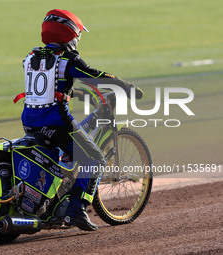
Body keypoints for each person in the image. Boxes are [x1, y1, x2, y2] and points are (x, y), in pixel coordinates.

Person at [16, 9, 143, 231]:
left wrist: (77, 94)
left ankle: (55, 201)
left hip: (29, 120)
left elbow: (49, 88)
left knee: (65, 155)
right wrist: (124, 85)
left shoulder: (31, 57)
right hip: (56, 121)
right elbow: (94, 76)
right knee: (95, 159)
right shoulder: (67, 59)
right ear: (71, 33)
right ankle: (77, 210)